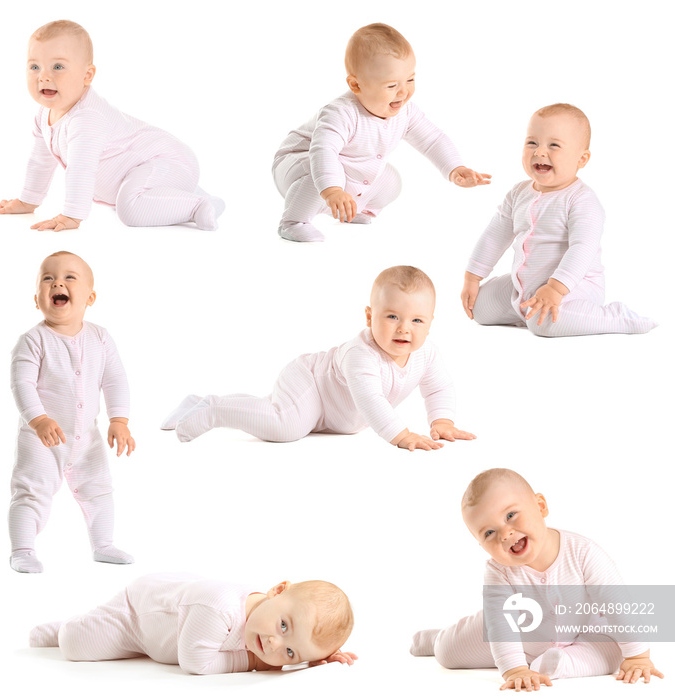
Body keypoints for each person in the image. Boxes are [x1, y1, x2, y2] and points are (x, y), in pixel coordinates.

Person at [162, 266, 475, 451]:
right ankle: (213, 409)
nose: (404, 329)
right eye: (392, 316)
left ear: (431, 322)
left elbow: (439, 388)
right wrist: (402, 436)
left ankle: (195, 402)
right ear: (369, 316)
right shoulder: (361, 355)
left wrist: (442, 420)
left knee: (271, 412)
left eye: (417, 321)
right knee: (285, 426)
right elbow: (371, 400)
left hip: (330, 416)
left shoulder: (427, 354)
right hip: (310, 382)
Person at [410, 468, 664, 689]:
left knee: (616, 654)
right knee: (449, 654)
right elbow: (501, 627)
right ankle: (437, 638)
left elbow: (616, 603)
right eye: (489, 532)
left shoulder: (583, 553)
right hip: (510, 635)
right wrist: (514, 669)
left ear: (540, 506)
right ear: (481, 545)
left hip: (579, 634)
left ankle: (560, 664)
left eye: (510, 515)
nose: (505, 533)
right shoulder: (499, 571)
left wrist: (638, 656)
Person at [0, 20, 224, 232]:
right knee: (127, 198)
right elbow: (40, 161)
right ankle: (192, 197)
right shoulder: (44, 115)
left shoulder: (86, 119)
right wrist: (28, 200)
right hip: (158, 170)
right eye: (34, 67)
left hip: (168, 161)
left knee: (129, 209)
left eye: (57, 66)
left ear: (87, 75)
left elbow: (81, 168)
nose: (43, 76)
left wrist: (72, 215)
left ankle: (198, 206)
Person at [272, 23, 490, 242]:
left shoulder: (405, 112)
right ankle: (293, 221)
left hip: (344, 170)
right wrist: (332, 190)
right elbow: (323, 151)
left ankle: (352, 209)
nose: (404, 92)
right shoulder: (341, 112)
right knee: (325, 173)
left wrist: (455, 167)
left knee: (391, 180)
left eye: (410, 79)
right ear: (356, 85)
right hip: (298, 164)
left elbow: (432, 140)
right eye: (391, 85)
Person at [461, 104, 655, 336]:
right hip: (524, 283)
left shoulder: (581, 199)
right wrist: (473, 277)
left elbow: (583, 248)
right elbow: (495, 234)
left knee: (545, 325)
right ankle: (525, 309)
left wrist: (555, 287)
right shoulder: (518, 192)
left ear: (581, 159)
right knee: (480, 309)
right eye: (532, 142)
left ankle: (617, 318)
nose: (540, 152)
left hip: (574, 285)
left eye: (554, 145)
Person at [9, 251, 135, 573]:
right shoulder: (33, 340)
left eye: (69, 278)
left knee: (100, 489)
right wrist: (38, 419)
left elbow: (115, 378)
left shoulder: (100, 337)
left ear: (90, 297)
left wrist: (118, 420)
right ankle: (22, 550)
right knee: (31, 492)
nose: (57, 283)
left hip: (87, 438)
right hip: (42, 438)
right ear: (37, 300)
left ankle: (103, 544)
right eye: (47, 279)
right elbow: (21, 383)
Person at [30, 574, 356, 674]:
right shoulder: (220, 609)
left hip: (158, 640)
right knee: (75, 644)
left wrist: (315, 660)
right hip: (137, 617)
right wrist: (252, 662)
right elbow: (195, 662)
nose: (273, 644)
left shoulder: (266, 622)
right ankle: (65, 627)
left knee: (125, 652)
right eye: (284, 627)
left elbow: (291, 652)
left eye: (289, 652)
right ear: (277, 590)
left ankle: (92, 626)